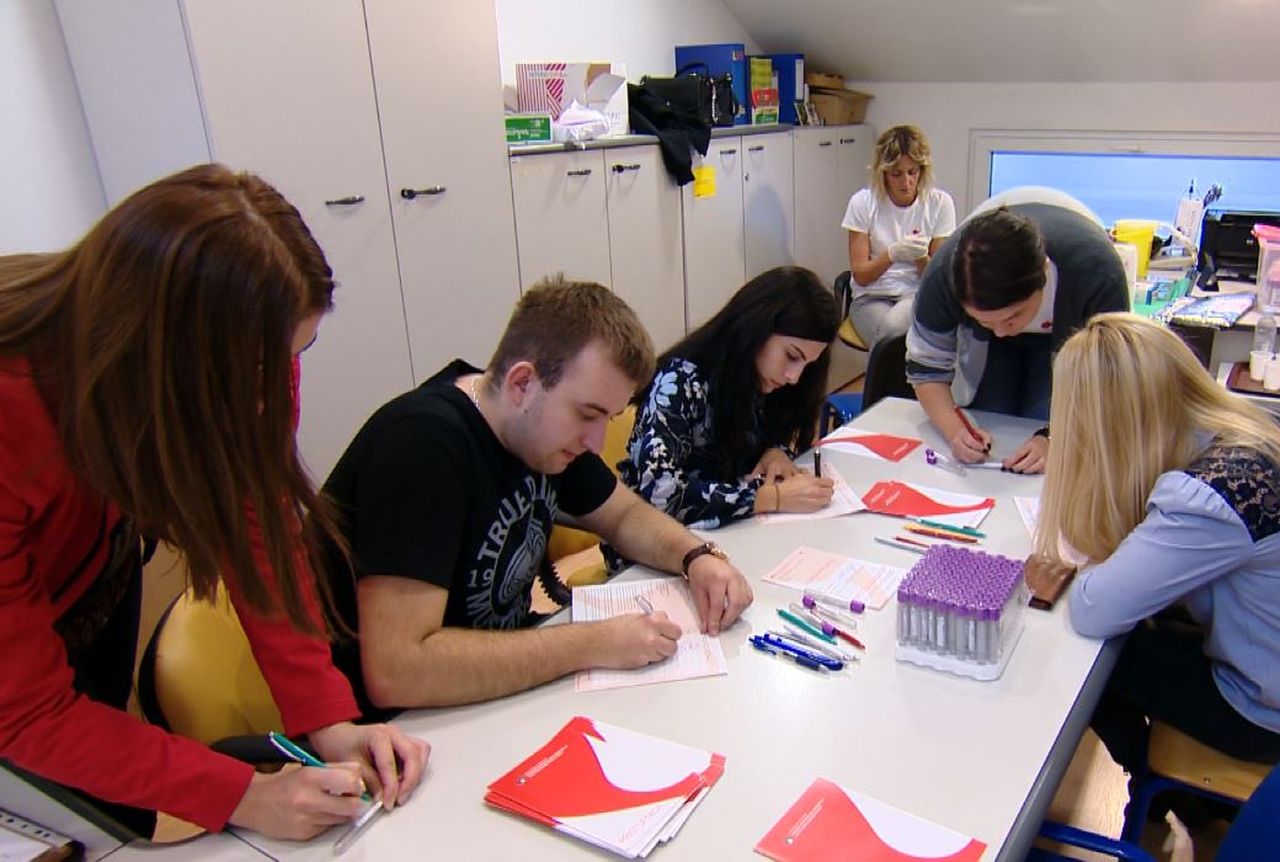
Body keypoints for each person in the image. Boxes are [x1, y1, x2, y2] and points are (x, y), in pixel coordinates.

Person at [0, 164, 430, 841]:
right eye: (257, 373)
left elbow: (258, 525)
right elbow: (26, 714)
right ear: (157, 352)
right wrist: (243, 796)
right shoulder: (15, 405)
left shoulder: (249, 348)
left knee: (109, 808)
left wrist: (329, 722)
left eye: (295, 356)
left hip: (84, 571)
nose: (272, 395)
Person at [321, 277, 756, 721]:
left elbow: (624, 515)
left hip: (501, 696)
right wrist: (591, 642)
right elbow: (398, 671)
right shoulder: (421, 445)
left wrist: (697, 556)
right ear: (522, 383)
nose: (596, 441)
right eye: (587, 414)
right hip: (406, 728)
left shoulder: (538, 433)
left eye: (608, 419)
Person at [1027, 314, 1280, 824]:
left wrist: (1070, 576)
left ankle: (1159, 786)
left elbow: (1094, 610)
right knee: (1141, 622)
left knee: (1088, 655)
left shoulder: (1209, 496)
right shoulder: (1260, 428)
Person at [905, 188, 1129, 473]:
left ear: (1044, 273)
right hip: (988, 346)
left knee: (1044, 416)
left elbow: (1108, 384)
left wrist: (1055, 439)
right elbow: (926, 370)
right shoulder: (942, 276)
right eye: (985, 321)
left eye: (1012, 317)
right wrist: (956, 431)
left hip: (1071, 327)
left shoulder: (1097, 273)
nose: (1001, 333)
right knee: (992, 415)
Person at [619, 266, 840, 529]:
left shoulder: (763, 380)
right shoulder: (679, 382)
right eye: (791, 356)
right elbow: (660, 493)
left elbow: (764, 439)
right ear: (757, 328)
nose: (794, 376)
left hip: (731, 533)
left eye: (807, 365)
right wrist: (770, 497)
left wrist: (776, 452)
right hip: (657, 542)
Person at [841, 125, 957, 344]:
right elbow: (861, 276)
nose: (906, 182)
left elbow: (938, 280)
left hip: (915, 294)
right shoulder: (863, 202)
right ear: (883, 173)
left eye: (912, 172)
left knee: (892, 333)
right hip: (870, 297)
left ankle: (889, 366)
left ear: (922, 170)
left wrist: (920, 257)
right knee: (893, 339)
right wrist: (892, 254)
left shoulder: (940, 203)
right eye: (896, 174)